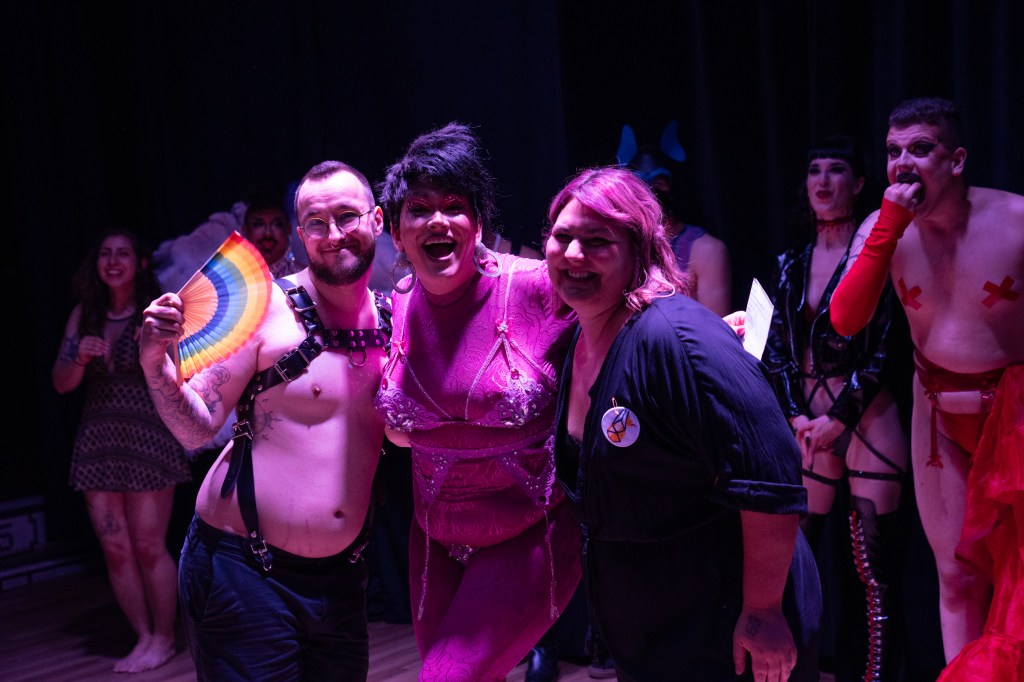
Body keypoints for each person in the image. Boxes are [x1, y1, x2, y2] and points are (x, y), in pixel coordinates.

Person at [544, 166, 822, 681]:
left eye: (598, 241)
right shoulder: (582, 336)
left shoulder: (676, 338)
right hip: (655, 625)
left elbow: (770, 474)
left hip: (723, 625)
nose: (574, 254)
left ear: (640, 251)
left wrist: (762, 610)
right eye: (563, 237)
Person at [139, 160, 390, 680]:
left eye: (347, 216)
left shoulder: (396, 320)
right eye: (316, 223)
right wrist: (154, 364)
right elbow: (195, 428)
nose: (334, 235)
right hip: (244, 572)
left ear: (377, 220)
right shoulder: (268, 309)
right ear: (300, 234)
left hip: (343, 581)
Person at [374, 122, 583, 681]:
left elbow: (628, 307)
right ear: (395, 231)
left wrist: (704, 331)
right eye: (419, 209)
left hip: (528, 535)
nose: (437, 220)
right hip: (432, 544)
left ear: (479, 224)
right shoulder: (396, 305)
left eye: (455, 207)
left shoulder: (536, 287)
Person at [830, 97, 1024, 676]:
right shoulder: (882, 228)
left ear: (956, 160)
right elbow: (845, 321)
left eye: (920, 148)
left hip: (1014, 415)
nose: (903, 163)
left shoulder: (1016, 219)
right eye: (893, 151)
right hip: (937, 411)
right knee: (955, 574)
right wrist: (889, 227)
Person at [763, 135, 910, 681]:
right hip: (806, 423)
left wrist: (839, 417)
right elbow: (776, 348)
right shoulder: (790, 264)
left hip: (867, 419)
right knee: (795, 567)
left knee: (875, 576)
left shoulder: (879, 258)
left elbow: (886, 348)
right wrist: (796, 416)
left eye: (836, 170)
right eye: (814, 170)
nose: (822, 181)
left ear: (859, 182)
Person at [52, 230, 190, 673]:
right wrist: (78, 357)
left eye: (123, 254)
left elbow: (183, 374)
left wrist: (154, 350)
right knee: (115, 546)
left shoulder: (156, 311)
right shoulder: (85, 315)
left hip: (148, 438)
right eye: (105, 254)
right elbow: (61, 383)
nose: (113, 261)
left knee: (149, 544)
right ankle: (143, 637)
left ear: (140, 263)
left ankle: (164, 638)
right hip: (99, 440)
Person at [620, 125, 733, 316]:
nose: (649, 193)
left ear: (673, 186)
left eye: (658, 183)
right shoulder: (621, 248)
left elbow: (715, 329)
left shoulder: (705, 250)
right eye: (640, 185)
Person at [240, 180, 304, 278]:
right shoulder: (231, 280)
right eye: (258, 224)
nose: (268, 233)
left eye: (277, 224)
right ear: (245, 230)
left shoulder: (304, 279)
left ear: (289, 229)